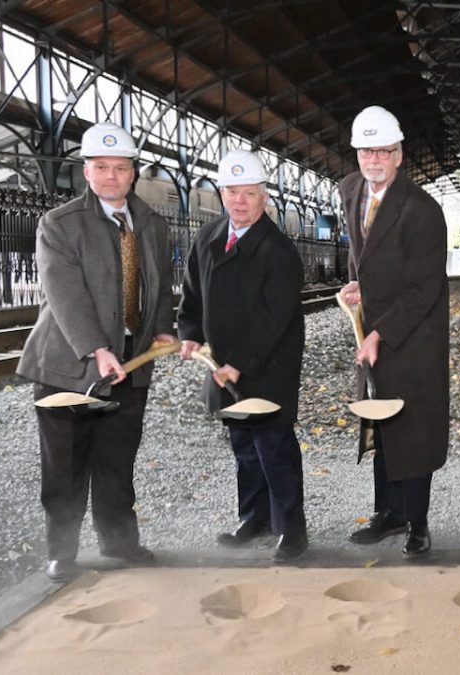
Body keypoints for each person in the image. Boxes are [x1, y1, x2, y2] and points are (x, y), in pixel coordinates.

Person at [17, 122, 175, 582]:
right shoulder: (59, 224)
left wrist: (161, 329)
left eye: (120, 168)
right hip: (68, 366)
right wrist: (96, 349)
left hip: (130, 365)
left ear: (133, 173)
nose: (110, 176)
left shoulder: (152, 224)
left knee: (116, 458)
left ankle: (120, 543)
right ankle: (61, 553)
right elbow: (65, 295)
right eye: (101, 167)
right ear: (86, 172)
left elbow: (160, 287)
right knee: (65, 464)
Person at [177, 150, 307, 562]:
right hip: (223, 366)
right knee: (243, 447)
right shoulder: (208, 236)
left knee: (274, 447)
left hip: (267, 365)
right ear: (221, 192)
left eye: (249, 193)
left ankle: (292, 529)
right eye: (232, 191)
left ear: (264, 197)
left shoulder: (279, 251)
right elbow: (192, 293)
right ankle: (254, 518)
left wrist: (241, 363)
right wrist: (190, 334)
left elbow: (275, 319)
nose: (239, 200)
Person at [338, 105, 450, 557]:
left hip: (413, 336)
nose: (374, 159)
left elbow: (426, 286)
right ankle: (388, 513)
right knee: (381, 425)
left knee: (413, 429)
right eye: (366, 151)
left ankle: (417, 524)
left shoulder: (421, 209)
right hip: (375, 332)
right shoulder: (350, 191)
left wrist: (380, 332)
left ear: (400, 155)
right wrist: (356, 286)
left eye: (384, 151)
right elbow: (362, 255)